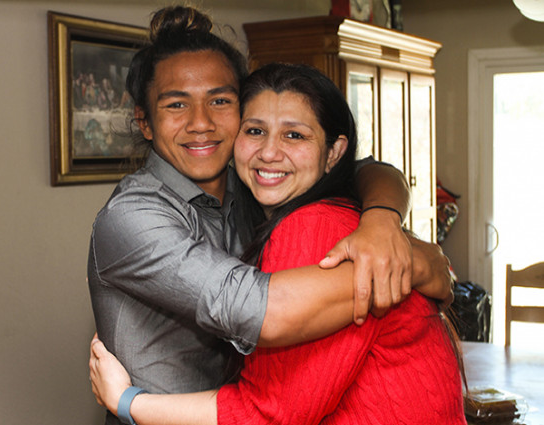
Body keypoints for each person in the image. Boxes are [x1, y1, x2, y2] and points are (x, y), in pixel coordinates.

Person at [87, 5, 454, 424]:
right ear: (145, 122)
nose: (201, 123)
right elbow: (260, 310)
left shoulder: (255, 187)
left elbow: (372, 169)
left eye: (220, 101)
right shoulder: (131, 217)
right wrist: (416, 263)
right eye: (176, 105)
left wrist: (383, 219)